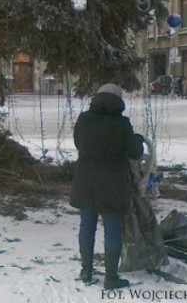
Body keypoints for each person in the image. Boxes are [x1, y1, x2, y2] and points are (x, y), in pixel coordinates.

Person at [70, 83, 144, 289]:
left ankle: (86, 270)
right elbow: (135, 153)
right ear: (119, 101)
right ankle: (111, 277)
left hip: (85, 181)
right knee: (112, 230)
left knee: (87, 226)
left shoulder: (84, 119)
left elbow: (78, 144)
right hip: (112, 184)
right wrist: (137, 139)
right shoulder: (122, 124)